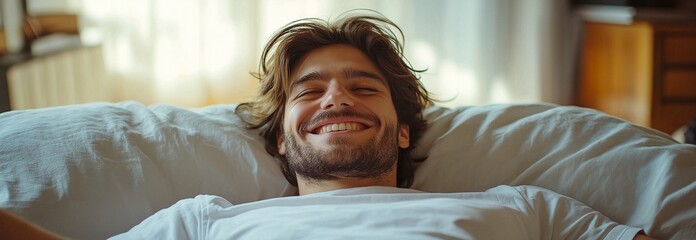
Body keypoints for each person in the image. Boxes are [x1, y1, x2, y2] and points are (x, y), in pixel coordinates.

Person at [2, 10, 656, 240]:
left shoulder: (523, 209)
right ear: (282, 139)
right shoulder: (206, 221)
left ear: (403, 132)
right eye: (309, 91)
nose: (336, 97)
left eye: (363, 86)